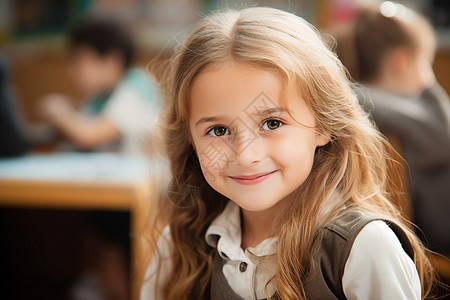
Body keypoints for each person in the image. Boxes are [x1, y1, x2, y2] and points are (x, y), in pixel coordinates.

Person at [140, 7, 436, 300]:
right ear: (190, 139)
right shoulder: (177, 245)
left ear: (322, 125)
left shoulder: (364, 249)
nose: (245, 155)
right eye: (218, 130)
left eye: (272, 123)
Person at [332, 3, 450, 256]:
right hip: (438, 244)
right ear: (401, 60)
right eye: (426, 62)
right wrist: (429, 87)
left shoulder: (359, 104)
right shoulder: (378, 106)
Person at [39, 18, 160, 156]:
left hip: (136, 175)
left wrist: (56, 110)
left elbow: (88, 136)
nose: (72, 71)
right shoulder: (99, 95)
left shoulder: (135, 87)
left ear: (113, 61)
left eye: (80, 62)